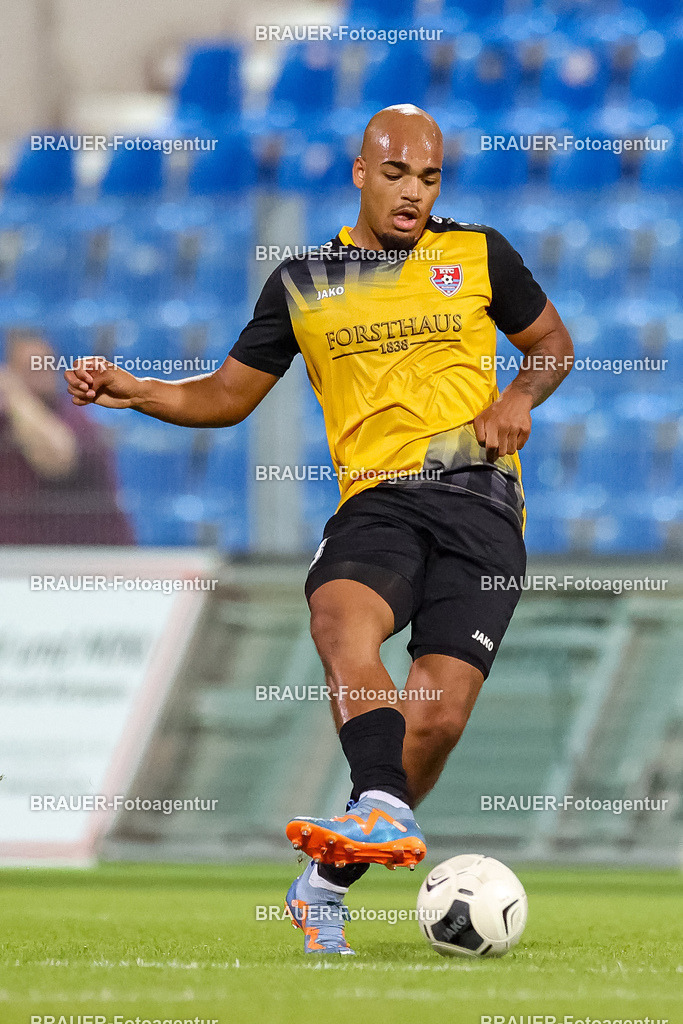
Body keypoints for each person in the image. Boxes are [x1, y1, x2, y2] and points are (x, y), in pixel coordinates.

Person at [64, 105, 574, 955]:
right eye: (397, 174)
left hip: (480, 503)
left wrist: (518, 395)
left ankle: (324, 884)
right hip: (378, 501)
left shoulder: (479, 255)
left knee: (437, 720)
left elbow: (551, 343)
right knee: (342, 617)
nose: (413, 192)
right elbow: (227, 395)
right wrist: (138, 388)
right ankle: (377, 802)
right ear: (361, 173)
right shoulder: (304, 280)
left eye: (429, 177)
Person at [1, 330, 132, 544]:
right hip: (16, 562)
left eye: (45, 364)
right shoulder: (5, 421)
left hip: (87, 562)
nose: (40, 373)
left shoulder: (76, 416)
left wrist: (17, 397)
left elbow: (57, 459)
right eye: (29, 368)